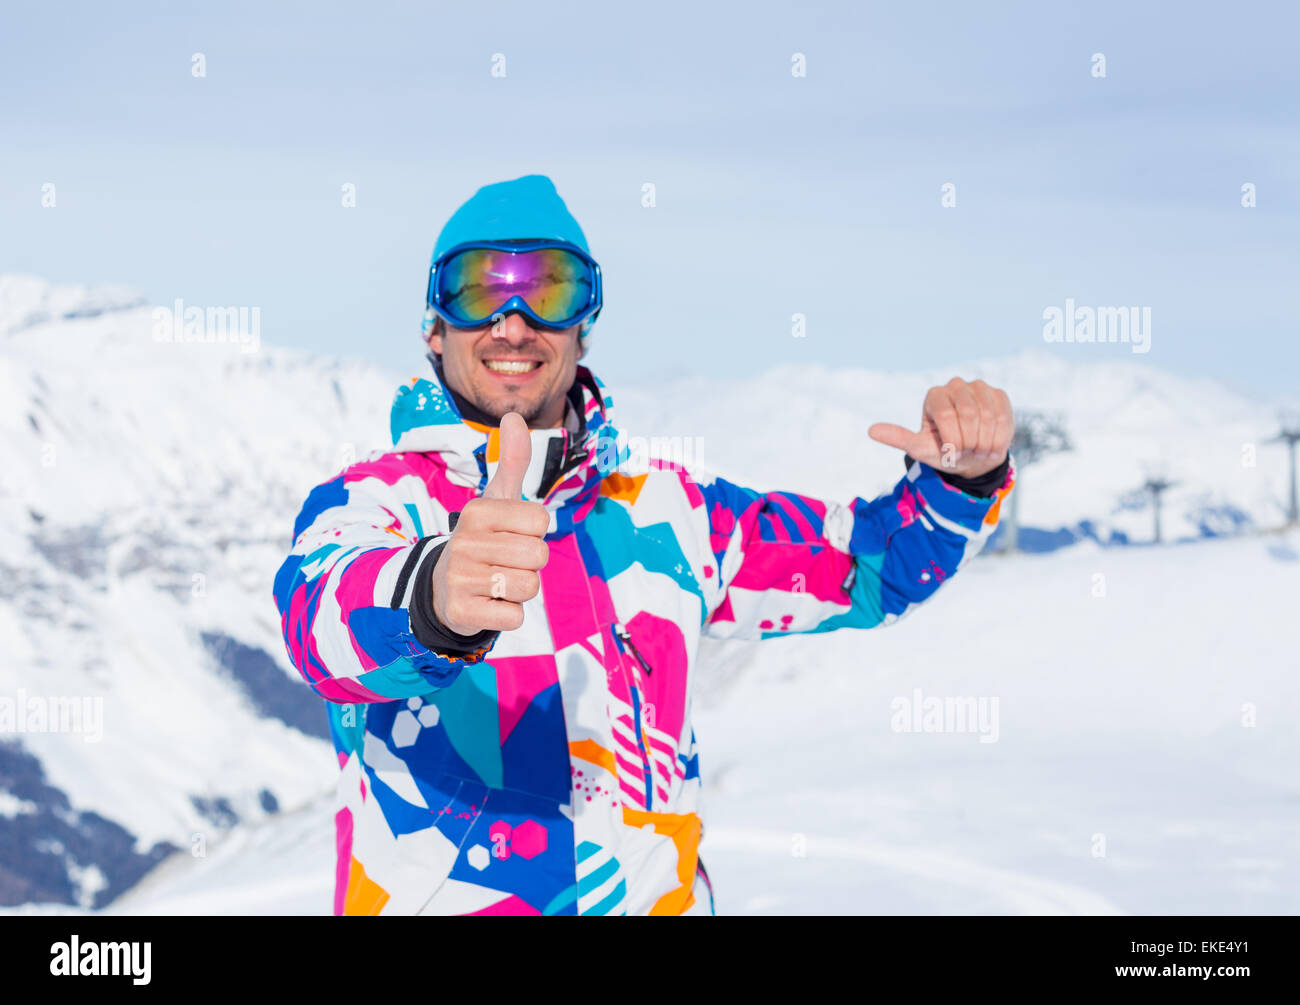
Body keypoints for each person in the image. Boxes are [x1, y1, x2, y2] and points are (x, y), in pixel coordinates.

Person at [273, 174, 1016, 916]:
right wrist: (435, 596)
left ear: (583, 324)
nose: (512, 322)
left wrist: (964, 482)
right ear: (435, 325)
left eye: (550, 288)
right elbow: (321, 623)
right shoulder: (375, 502)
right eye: (477, 289)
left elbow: (871, 571)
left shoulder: (671, 511)